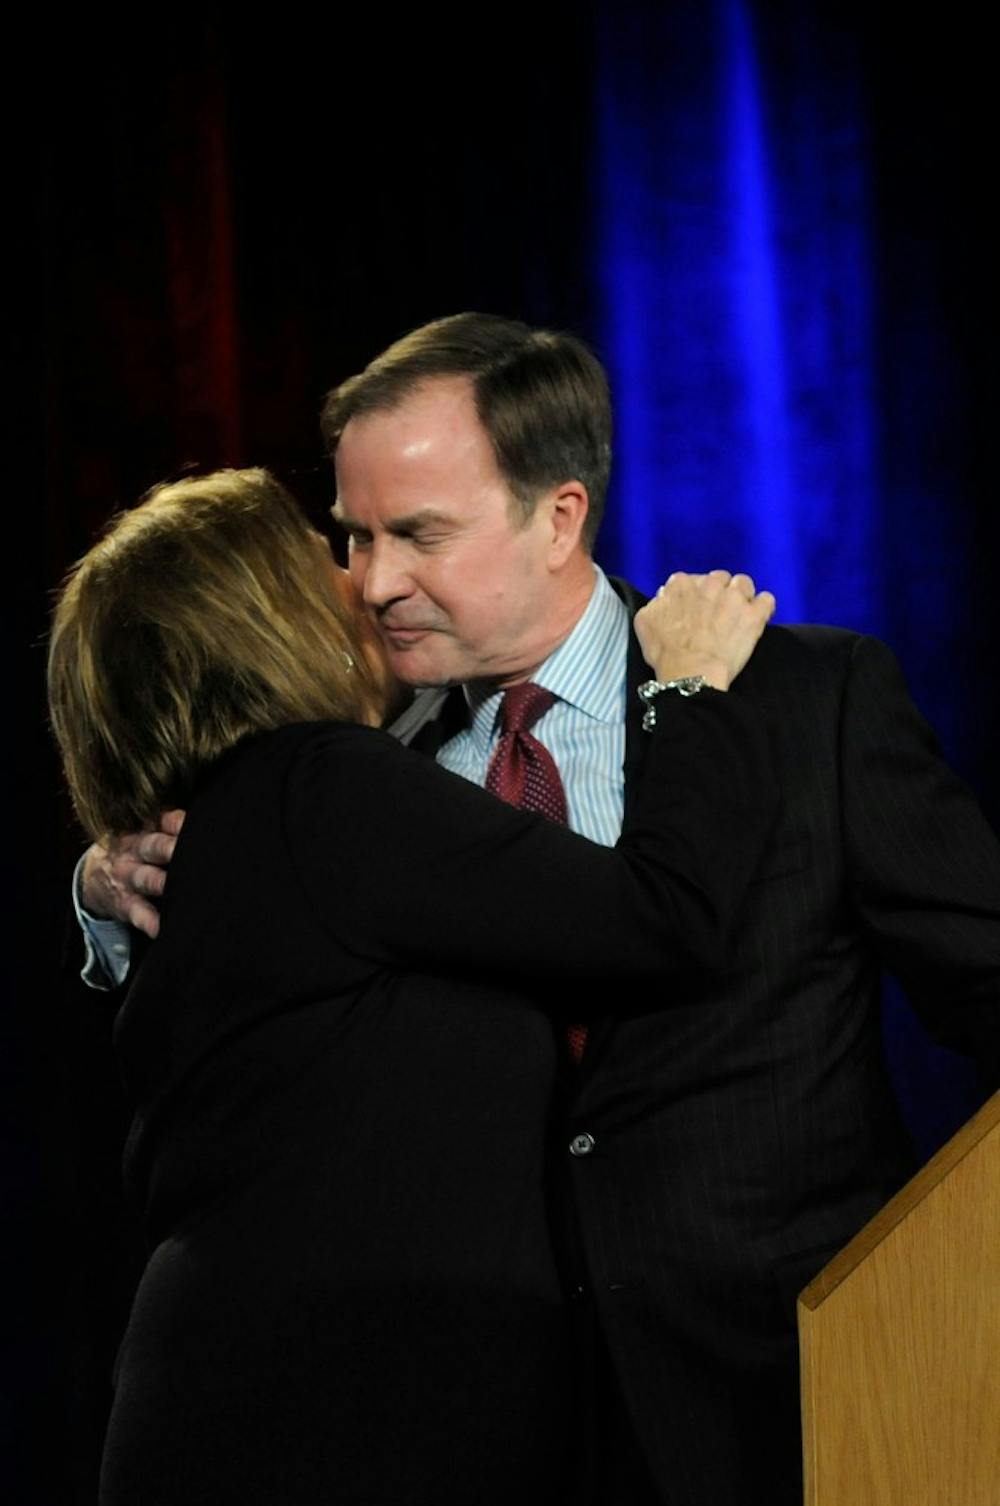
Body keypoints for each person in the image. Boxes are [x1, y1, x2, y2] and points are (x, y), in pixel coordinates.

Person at [77, 316, 1000, 1506]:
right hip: (471, 1429)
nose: (370, 581)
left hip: (785, 1402)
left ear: (559, 514)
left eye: (418, 533)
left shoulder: (804, 708)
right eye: (354, 536)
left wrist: (945, 1310)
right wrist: (99, 885)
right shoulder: (346, 769)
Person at [52, 465, 778, 1505]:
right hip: (342, 1407)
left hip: (264, 1391)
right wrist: (690, 688)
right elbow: (661, 920)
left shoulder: (216, 837)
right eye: (328, 562)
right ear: (267, 622)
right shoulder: (321, 787)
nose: (371, 586)